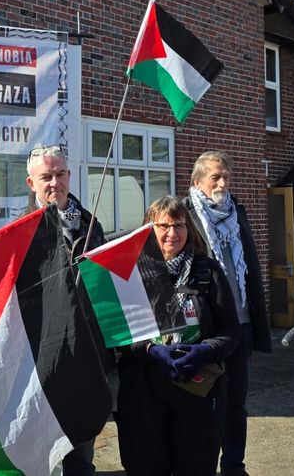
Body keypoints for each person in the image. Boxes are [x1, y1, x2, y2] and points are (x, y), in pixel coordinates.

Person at [114, 196, 240, 476]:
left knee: (196, 465)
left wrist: (205, 351)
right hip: (143, 392)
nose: (172, 233)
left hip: (196, 389)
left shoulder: (207, 271)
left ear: (188, 229)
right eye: (163, 226)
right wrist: (150, 350)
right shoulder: (129, 273)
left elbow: (231, 330)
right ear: (148, 229)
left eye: (179, 225)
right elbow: (117, 332)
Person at [183, 150, 272, 476]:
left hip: (241, 324)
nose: (222, 183)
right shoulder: (185, 214)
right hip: (206, 326)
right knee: (201, 401)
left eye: (226, 177)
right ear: (197, 182)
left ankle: (234, 466)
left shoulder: (238, 213)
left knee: (236, 404)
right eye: (215, 177)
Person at [24, 144, 109, 476]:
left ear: (69, 176)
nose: (54, 183)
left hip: (86, 351)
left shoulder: (90, 224)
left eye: (60, 174)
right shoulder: (20, 231)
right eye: (46, 176)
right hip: (43, 355)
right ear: (31, 183)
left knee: (82, 450)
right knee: (43, 453)